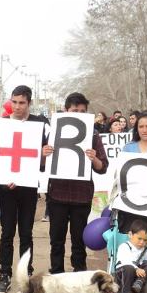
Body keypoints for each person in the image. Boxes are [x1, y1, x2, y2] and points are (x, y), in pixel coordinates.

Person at [42, 92, 109, 274]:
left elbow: (103, 167)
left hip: (82, 196)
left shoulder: (93, 136)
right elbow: (40, 166)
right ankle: (56, 273)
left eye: (82, 111)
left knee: (79, 239)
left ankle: (79, 272)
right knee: (56, 239)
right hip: (57, 194)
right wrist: (44, 155)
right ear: (66, 111)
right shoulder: (53, 133)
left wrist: (94, 158)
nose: (78, 113)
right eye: (74, 110)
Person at [0, 85, 48, 293]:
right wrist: (6, 176)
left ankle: (26, 273)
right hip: (6, 187)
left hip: (27, 186)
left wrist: (44, 153)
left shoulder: (39, 124)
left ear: (29, 103)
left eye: (22, 103)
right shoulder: (1, 124)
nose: (17, 107)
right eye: (14, 102)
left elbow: (42, 159)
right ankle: (4, 274)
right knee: (7, 232)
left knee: (26, 232)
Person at [115, 219, 147, 293]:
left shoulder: (144, 249)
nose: (142, 242)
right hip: (123, 272)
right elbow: (125, 260)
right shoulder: (124, 246)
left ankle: (139, 282)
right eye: (139, 238)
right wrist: (136, 268)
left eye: (145, 240)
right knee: (129, 268)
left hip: (138, 275)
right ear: (130, 235)